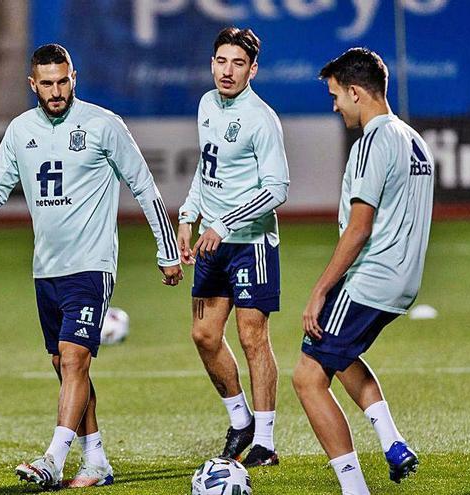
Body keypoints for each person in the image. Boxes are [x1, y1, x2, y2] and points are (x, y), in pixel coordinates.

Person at [0, 43, 182, 490]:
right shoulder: (19, 130)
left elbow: (144, 187)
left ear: (74, 78)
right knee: (65, 365)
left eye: (62, 81)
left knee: (74, 359)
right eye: (46, 83)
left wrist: (167, 252)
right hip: (46, 269)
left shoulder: (104, 125)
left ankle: (52, 459)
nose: (56, 90)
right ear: (32, 84)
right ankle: (97, 459)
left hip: (91, 265)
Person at [292, 47, 431, 495]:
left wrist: (320, 290)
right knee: (342, 353)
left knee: (307, 377)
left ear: (356, 92)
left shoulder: (372, 142)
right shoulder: (415, 140)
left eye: (336, 96)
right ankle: (392, 443)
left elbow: (359, 229)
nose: (334, 106)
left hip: (372, 276)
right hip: (404, 281)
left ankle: (355, 490)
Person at [177, 27, 289, 467]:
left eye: (238, 63)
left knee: (252, 337)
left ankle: (264, 440)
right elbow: (207, 172)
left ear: (252, 69)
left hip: (250, 244)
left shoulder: (261, 118)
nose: (227, 70)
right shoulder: (206, 104)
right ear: (212, 63)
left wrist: (223, 224)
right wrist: (188, 216)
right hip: (212, 241)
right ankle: (239, 419)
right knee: (204, 335)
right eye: (221, 61)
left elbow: (277, 188)